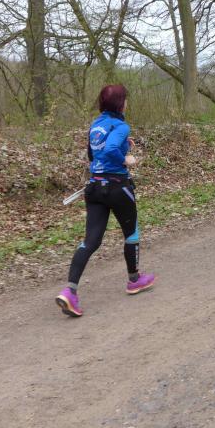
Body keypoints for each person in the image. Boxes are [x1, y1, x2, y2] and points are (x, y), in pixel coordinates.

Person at [55, 84, 155, 317]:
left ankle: (70, 291)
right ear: (120, 104)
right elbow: (110, 149)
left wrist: (124, 144)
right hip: (118, 187)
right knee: (131, 233)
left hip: (94, 188)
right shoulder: (121, 125)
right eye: (125, 100)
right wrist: (125, 159)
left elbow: (93, 154)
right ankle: (134, 280)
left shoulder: (96, 125)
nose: (127, 103)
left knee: (90, 241)